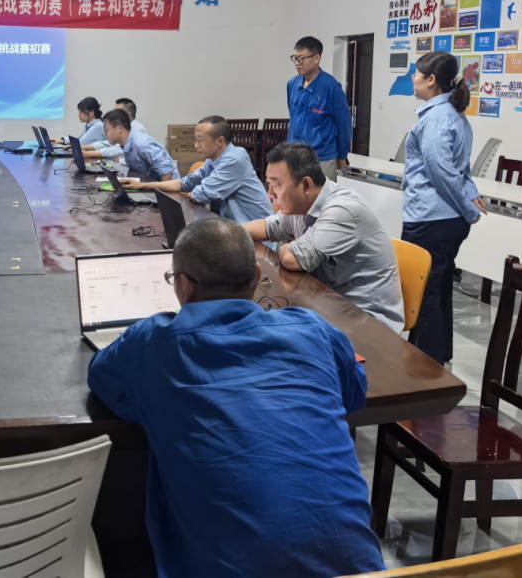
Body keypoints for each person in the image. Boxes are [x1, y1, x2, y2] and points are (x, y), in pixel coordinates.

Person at [88, 218, 386, 577]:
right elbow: (353, 393)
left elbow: (101, 376)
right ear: (257, 275)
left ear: (183, 285)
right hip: (361, 569)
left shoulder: (153, 343)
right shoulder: (313, 329)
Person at [245, 142, 404, 333]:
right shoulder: (300, 204)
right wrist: (226, 233)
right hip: (326, 303)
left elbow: (291, 259)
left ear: (306, 185)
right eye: (269, 185)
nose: (270, 194)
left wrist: (286, 247)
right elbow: (268, 227)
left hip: (368, 321)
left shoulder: (342, 209)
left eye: (276, 185)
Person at [402, 52, 487, 364]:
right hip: (443, 220)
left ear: (431, 80)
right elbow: (461, 169)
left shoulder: (437, 118)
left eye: (416, 73)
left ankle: (425, 364)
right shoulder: (454, 115)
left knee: (425, 291)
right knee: (437, 287)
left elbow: (443, 173)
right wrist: (470, 197)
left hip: (431, 219)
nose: (412, 78)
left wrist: (468, 207)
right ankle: (437, 355)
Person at [122, 116, 273, 222]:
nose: (196, 145)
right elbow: (183, 184)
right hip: (231, 228)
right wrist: (141, 185)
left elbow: (198, 195)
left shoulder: (234, 159)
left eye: (200, 140)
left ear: (220, 141)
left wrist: (188, 193)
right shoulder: (212, 160)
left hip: (257, 237)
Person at [286, 36, 352, 181]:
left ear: (317, 58)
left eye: (301, 59)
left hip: (321, 158)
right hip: (294, 156)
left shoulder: (331, 87)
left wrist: (342, 154)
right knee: (297, 195)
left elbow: (344, 124)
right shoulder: (292, 84)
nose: (297, 63)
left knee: (322, 195)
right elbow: (293, 116)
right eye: (295, 58)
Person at [88, 108, 176, 181]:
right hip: (147, 184)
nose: (105, 134)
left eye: (107, 129)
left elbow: (167, 173)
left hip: (166, 191)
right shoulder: (125, 143)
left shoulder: (142, 144)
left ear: (119, 128)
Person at [80, 97, 146, 159]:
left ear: (128, 115)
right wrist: (82, 148)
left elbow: (116, 149)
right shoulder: (123, 127)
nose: (115, 115)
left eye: (118, 113)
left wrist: (87, 154)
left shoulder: (138, 130)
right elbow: (108, 143)